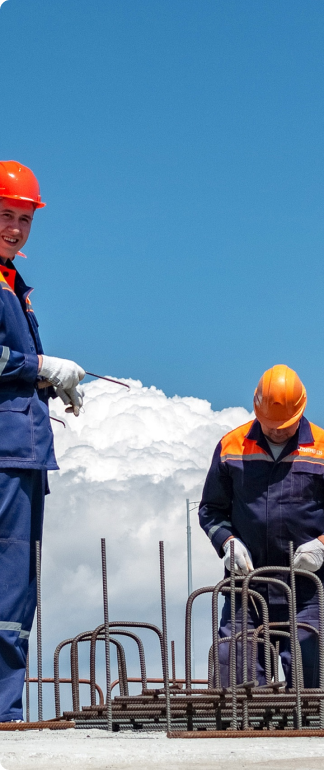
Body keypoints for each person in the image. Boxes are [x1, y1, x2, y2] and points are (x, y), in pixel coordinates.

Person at [198, 364, 324, 688]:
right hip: (246, 590)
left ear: (300, 411)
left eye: (284, 426)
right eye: (270, 424)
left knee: (308, 693)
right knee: (237, 693)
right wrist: (227, 542)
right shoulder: (232, 447)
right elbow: (211, 509)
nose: (276, 431)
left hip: (305, 592)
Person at [0, 162, 85, 722]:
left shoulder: (14, 287)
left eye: (24, 219)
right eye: (6, 215)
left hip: (23, 450)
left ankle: (7, 704)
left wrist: (51, 387)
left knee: (17, 586)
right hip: (4, 452)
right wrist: (40, 367)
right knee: (6, 580)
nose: (15, 228)